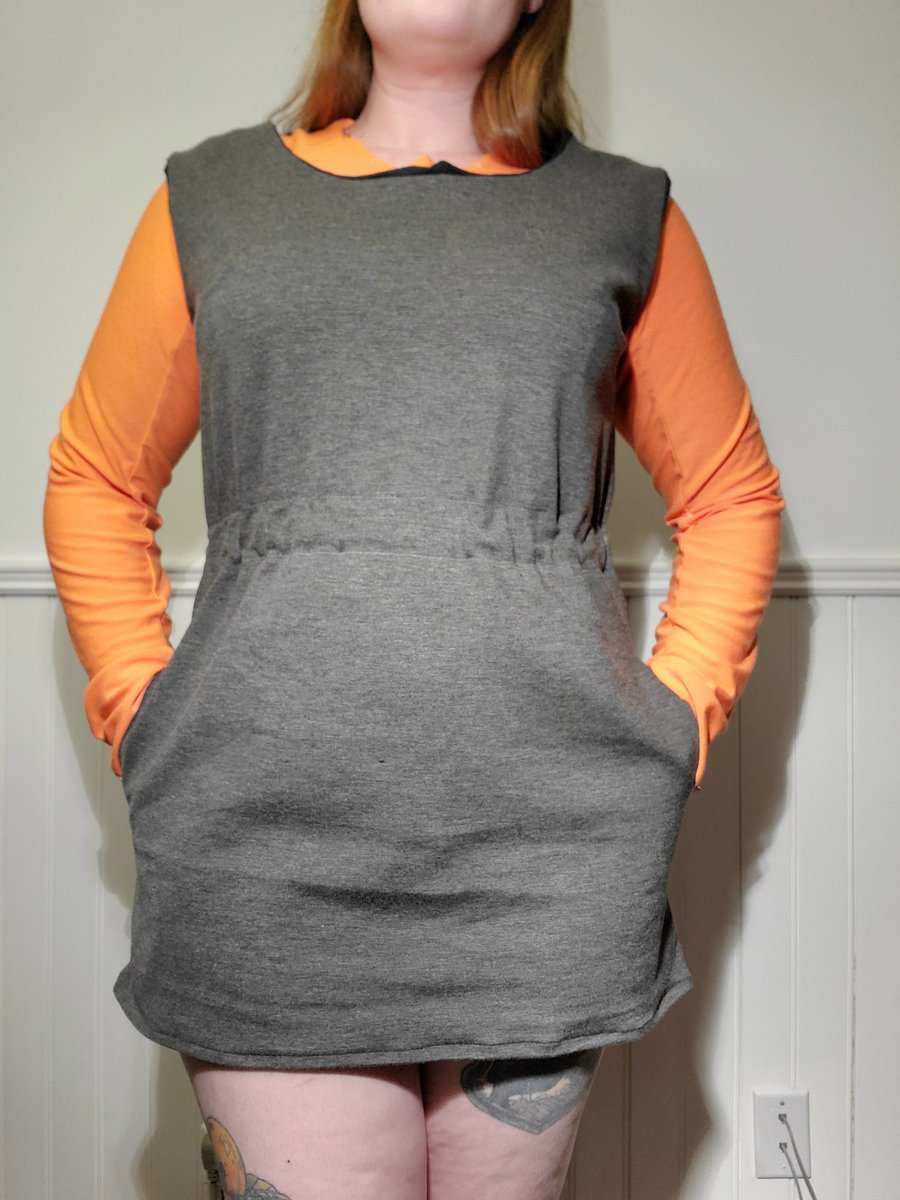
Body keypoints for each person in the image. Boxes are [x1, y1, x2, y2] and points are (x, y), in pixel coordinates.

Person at [42, 0, 785, 1196]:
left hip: (548, 862)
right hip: (260, 852)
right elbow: (96, 475)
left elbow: (730, 494)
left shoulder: (621, 215)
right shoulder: (212, 200)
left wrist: (675, 723)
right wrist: (141, 705)